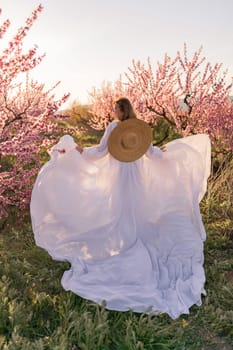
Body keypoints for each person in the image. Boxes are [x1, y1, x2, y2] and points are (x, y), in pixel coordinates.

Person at [30, 97, 211, 320]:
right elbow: (151, 152)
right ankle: (134, 235)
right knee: (137, 207)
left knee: (122, 208)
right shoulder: (138, 127)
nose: (113, 111)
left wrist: (79, 151)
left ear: (122, 110)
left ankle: (125, 239)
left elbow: (101, 151)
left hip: (121, 177)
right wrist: (163, 152)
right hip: (137, 177)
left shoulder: (115, 127)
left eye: (116, 108)